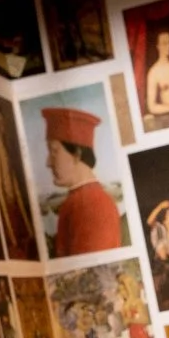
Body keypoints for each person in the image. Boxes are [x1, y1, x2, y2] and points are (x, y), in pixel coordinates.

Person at [42, 106, 122, 257]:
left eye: (54, 151)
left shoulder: (91, 205)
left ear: (77, 155)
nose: (48, 162)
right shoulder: (81, 200)